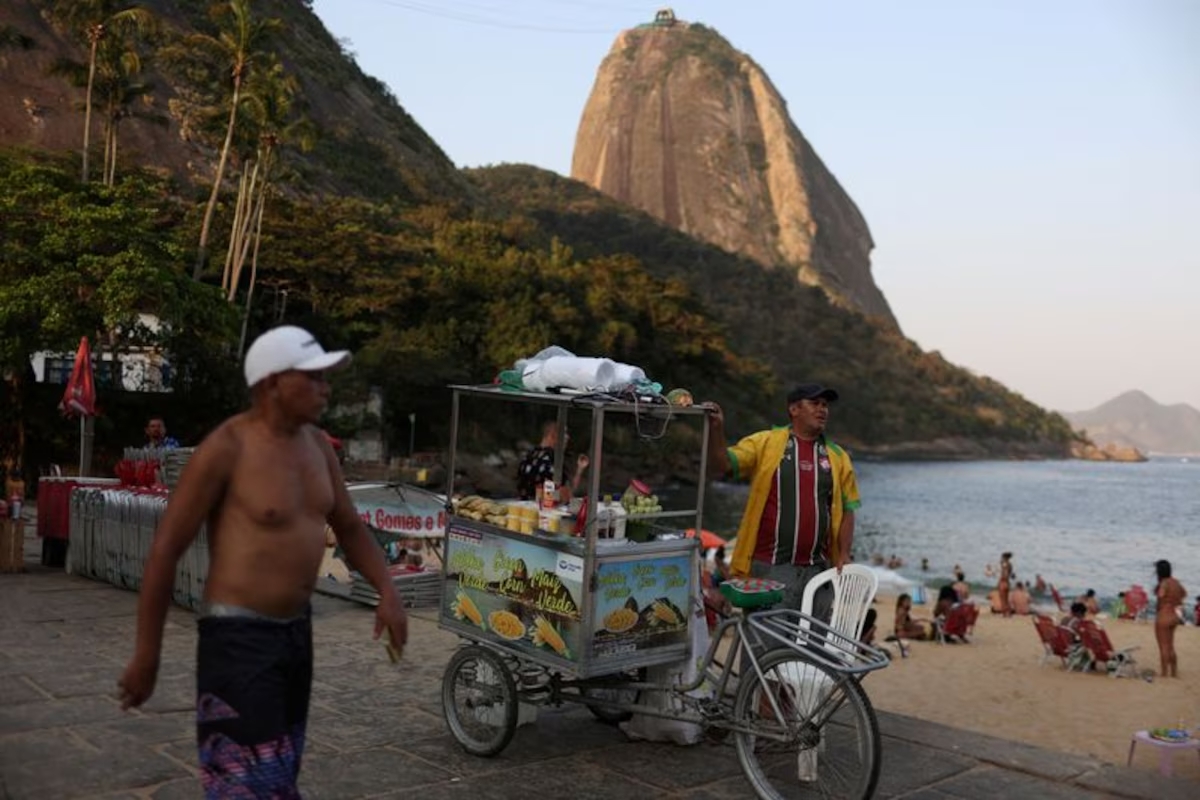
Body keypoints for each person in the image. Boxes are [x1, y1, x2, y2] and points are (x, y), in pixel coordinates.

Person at [118, 325, 409, 797]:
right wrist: (147, 655)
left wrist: (388, 590)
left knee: (279, 771)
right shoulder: (226, 449)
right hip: (238, 640)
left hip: (296, 635)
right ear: (273, 383)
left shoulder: (319, 447)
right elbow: (165, 550)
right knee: (245, 783)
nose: (325, 388)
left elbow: (351, 528)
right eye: (313, 377)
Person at [704, 384, 860, 621]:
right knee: (767, 640)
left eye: (825, 405)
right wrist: (716, 429)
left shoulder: (838, 456)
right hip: (769, 568)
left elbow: (848, 508)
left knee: (812, 641)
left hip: (818, 570)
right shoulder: (765, 442)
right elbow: (723, 465)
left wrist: (844, 554)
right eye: (814, 403)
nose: (822, 409)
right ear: (794, 409)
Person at [515, 420, 589, 503]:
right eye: (564, 433)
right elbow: (565, 497)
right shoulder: (554, 460)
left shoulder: (528, 456)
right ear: (552, 435)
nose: (568, 437)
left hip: (524, 506)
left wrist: (579, 469)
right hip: (546, 508)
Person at [1153, 559, 1186, 678]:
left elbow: (1161, 595)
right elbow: (1184, 594)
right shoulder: (1176, 582)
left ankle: (1164, 673)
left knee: (1163, 646)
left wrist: (1161, 600)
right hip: (1174, 615)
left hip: (1164, 614)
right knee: (1171, 645)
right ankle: (1174, 672)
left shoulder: (1164, 583)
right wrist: (1175, 601)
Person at [997, 552, 1014, 618]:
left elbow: (1005, 573)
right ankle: (1008, 613)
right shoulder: (1010, 564)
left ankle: (1004, 613)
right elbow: (1010, 574)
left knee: (1002, 599)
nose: (1002, 558)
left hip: (1003, 582)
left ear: (1005, 557)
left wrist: (1002, 578)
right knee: (1006, 599)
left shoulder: (1005, 564)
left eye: (1002, 557)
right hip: (1007, 583)